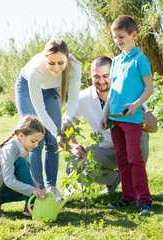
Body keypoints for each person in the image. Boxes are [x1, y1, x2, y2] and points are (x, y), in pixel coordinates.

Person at [66, 56, 157, 194]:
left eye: (106, 76)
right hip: (103, 152)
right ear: (90, 75)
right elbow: (66, 122)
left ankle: (134, 182)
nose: (101, 81)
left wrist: (141, 120)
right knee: (72, 164)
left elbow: (154, 126)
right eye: (96, 76)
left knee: (142, 134)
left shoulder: (129, 93)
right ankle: (114, 178)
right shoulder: (82, 97)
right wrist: (73, 144)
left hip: (129, 148)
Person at [15, 39, 82, 202]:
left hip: (49, 89)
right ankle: (39, 190)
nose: (57, 68)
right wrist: (57, 131)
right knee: (35, 139)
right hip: (26, 88)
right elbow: (40, 111)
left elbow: (73, 98)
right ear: (45, 59)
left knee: (53, 142)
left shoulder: (75, 67)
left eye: (61, 63)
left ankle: (51, 187)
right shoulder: (35, 72)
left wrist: (67, 119)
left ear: (67, 58)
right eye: (51, 63)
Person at [100, 15, 154, 215]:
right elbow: (112, 91)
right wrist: (105, 114)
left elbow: (149, 88)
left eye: (121, 37)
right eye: (115, 37)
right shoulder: (116, 60)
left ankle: (145, 201)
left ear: (134, 35)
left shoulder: (141, 59)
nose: (118, 41)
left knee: (135, 159)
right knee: (122, 159)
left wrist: (136, 104)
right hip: (115, 119)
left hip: (131, 119)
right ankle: (128, 197)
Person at [0, 115, 48, 216]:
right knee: (21, 164)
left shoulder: (25, 147)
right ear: (21, 135)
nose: (36, 145)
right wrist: (32, 190)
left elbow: (26, 173)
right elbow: (9, 181)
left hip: (0, 184)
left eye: (38, 142)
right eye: (33, 141)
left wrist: (35, 184)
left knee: (38, 188)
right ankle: (31, 205)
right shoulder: (9, 149)